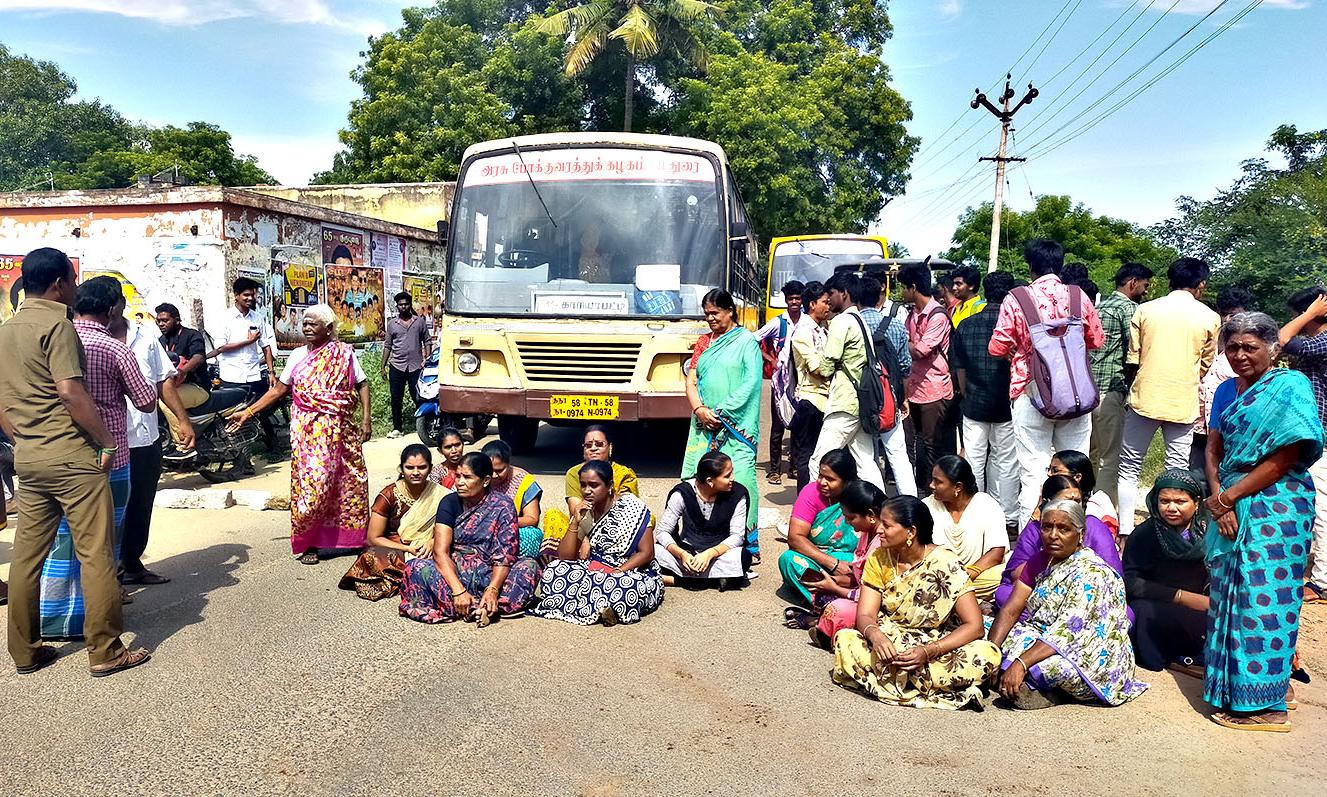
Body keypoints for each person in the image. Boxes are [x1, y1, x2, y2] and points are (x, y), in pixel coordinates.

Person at [0, 249, 151, 676]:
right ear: (60, 283)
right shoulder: (58, 325)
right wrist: (104, 442)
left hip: (28, 459)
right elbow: (70, 391)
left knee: (28, 558)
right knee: (97, 552)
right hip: (71, 457)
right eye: (71, 279)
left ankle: (26, 651)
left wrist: (23, 440)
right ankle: (105, 650)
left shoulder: (6, 331)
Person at [1202, 312, 1322, 733]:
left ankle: (1268, 706)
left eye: (1249, 347)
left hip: (1278, 507)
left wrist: (1229, 498)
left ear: (1273, 348)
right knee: (1228, 597)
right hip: (1230, 501)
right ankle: (1239, 688)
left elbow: (1286, 457)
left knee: (1262, 600)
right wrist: (1221, 502)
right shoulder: (1224, 390)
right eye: (1231, 347)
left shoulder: (1290, 388)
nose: (1239, 355)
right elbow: (1213, 448)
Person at [41, 277, 159, 638]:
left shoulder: (52, 339)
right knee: (105, 539)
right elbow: (145, 401)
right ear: (112, 310)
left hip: (59, 451)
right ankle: (98, 619)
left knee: (64, 536)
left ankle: (53, 616)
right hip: (113, 456)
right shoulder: (114, 348)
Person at [228, 304, 371, 565]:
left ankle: (352, 539)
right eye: (304, 323)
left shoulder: (344, 354)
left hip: (342, 432)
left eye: (312, 324)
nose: (306, 328)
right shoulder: (296, 356)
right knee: (313, 486)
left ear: (328, 329)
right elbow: (278, 390)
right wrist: (248, 413)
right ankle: (309, 543)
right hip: (309, 434)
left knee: (350, 483)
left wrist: (366, 420)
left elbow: (362, 384)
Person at [831, 495, 1001, 709]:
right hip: (890, 641)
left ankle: (891, 682)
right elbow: (865, 614)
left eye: (887, 525)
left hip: (933, 645)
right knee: (846, 639)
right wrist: (876, 636)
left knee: (989, 654)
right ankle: (926, 686)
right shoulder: (878, 558)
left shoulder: (946, 562)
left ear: (911, 532)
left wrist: (929, 651)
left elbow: (974, 627)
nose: (879, 530)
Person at [988, 499, 1147, 709]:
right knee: (984, 631)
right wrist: (990, 652)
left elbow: (1066, 634)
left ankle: (1044, 689)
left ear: (1080, 534)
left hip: (1090, 651)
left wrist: (1021, 663)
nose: (1053, 535)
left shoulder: (1093, 574)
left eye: (1064, 529)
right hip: (1045, 635)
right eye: (1047, 527)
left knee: (1051, 667)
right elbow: (1010, 610)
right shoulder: (1041, 560)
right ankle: (1025, 683)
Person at [989, 239, 1105, 520]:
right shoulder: (1079, 296)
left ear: (1030, 266)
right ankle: (1074, 533)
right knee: (1075, 468)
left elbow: (997, 347)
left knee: (1033, 471)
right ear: (1061, 263)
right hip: (1076, 394)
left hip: (1030, 392)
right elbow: (1097, 340)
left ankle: (1034, 542)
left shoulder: (1017, 298)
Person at [1117, 258, 1220, 538]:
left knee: (1129, 466)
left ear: (1170, 280)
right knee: (1176, 467)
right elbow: (1205, 365)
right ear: (1200, 285)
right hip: (1182, 401)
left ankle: (1125, 531)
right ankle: (1171, 532)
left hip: (1144, 397)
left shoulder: (1146, 311)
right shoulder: (1210, 317)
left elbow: (1134, 358)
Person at [399, 452, 540, 623]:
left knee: (529, 566)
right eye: (457, 476)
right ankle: (481, 608)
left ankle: (481, 604)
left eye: (467, 477)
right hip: (457, 571)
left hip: (491, 572)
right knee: (415, 567)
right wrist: (458, 590)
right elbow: (440, 552)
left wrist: (493, 589)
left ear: (486, 481)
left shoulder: (503, 505)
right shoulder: (449, 502)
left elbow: (504, 555)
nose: (459, 482)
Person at [113, 312, 196, 585]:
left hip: (145, 436)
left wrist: (183, 421)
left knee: (141, 502)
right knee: (110, 509)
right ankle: (109, 577)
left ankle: (132, 564)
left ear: (119, 305)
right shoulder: (85, 337)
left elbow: (164, 381)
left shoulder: (145, 335)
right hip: (107, 440)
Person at [683, 288, 762, 566]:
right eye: (706, 314)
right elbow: (691, 381)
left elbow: (751, 383)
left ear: (730, 310)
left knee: (740, 481)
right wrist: (700, 410)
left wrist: (721, 411)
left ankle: (745, 545)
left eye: (715, 313)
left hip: (736, 427)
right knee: (699, 480)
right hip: (704, 425)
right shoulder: (704, 342)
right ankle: (699, 537)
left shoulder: (746, 342)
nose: (710, 319)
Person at [533, 460, 664, 626]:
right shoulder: (586, 511)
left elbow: (646, 553)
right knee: (553, 571)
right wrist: (575, 522)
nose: (587, 491)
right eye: (583, 485)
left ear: (609, 485)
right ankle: (601, 608)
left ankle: (596, 606)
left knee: (625, 587)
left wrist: (618, 571)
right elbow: (565, 557)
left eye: (594, 485)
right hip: (595, 567)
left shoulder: (633, 506)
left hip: (630, 570)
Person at [994, 475, 1123, 613]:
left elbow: (1113, 575)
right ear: (1048, 503)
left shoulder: (1093, 526)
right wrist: (1047, 559)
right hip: (1041, 595)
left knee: (1125, 614)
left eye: (1077, 501)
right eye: (1066, 501)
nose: (1054, 535)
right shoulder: (1035, 530)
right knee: (1004, 595)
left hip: (1087, 597)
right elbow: (1015, 576)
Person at [1124, 469, 1211, 673]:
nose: (1171, 508)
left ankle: (1192, 658)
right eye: (1164, 501)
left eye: (1180, 502)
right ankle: (1174, 658)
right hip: (1159, 602)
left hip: (1204, 603)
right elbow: (1131, 582)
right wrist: (1180, 596)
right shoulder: (1145, 534)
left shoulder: (1210, 531)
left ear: (1197, 502)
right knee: (1144, 613)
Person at [339, 444, 449, 601]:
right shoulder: (388, 495)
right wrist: (407, 548)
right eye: (410, 467)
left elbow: (452, 527)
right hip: (395, 548)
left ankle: (410, 577)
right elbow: (373, 538)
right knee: (370, 558)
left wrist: (433, 542)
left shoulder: (441, 494)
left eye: (422, 467)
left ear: (430, 468)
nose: (416, 472)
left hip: (429, 547)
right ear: (401, 469)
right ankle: (412, 577)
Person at [951, 271, 1018, 526]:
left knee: (974, 460)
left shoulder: (967, 325)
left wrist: (967, 393)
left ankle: (974, 514)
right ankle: (1008, 518)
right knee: (1006, 462)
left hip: (974, 404)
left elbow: (959, 367)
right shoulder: (1015, 326)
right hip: (1008, 404)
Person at [811, 272, 885, 489]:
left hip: (844, 401)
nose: (829, 300)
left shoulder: (842, 321)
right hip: (861, 402)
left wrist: (812, 365)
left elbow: (826, 365)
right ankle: (879, 508)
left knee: (819, 461)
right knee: (865, 462)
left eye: (831, 294)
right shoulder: (860, 320)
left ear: (844, 294)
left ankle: (811, 513)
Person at [1087, 264, 1153, 506]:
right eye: (1145, 285)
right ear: (1133, 282)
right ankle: (1104, 511)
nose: (1146, 291)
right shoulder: (1131, 310)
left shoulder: (1097, 307)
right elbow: (1134, 352)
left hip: (1087, 391)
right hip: (1111, 389)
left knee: (1091, 453)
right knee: (1110, 456)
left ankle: (1086, 502)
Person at [1277, 287, 1327, 604]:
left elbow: (1279, 341)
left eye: (1300, 314)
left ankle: (1322, 581)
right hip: (1312, 434)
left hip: (1322, 437)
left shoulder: (1324, 341)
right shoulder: (1316, 343)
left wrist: (1310, 314)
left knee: (1322, 508)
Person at [809, 480, 888, 647]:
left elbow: (875, 593)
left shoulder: (882, 545)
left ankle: (831, 631)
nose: (847, 522)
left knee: (838, 610)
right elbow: (860, 576)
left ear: (871, 515)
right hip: (861, 591)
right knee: (820, 594)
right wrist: (835, 581)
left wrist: (836, 588)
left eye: (851, 517)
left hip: (878, 601)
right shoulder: (867, 534)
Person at [654, 450, 748, 588]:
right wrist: (682, 554)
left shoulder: (738, 494)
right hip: (687, 553)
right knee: (654, 551)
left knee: (743, 557)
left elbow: (737, 536)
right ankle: (713, 581)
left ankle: (677, 580)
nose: (733, 478)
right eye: (727, 476)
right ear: (710, 481)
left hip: (719, 554)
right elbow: (663, 532)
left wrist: (710, 554)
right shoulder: (682, 493)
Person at [777, 449, 859, 608]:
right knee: (788, 560)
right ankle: (828, 605)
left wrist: (850, 566)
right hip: (817, 559)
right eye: (821, 475)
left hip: (852, 561)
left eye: (830, 479)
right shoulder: (810, 493)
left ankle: (838, 600)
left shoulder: (859, 496)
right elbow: (795, 538)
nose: (822, 482)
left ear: (847, 481)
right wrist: (833, 564)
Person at [900, 262, 954, 496]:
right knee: (919, 441)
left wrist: (904, 344)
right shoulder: (912, 315)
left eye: (903, 287)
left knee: (932, 444)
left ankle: (935, 492)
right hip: (915, 388)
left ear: (913, 287)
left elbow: (920, 350)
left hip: (936, 388)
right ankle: (923, 488)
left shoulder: (937, 316)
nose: (902, 292)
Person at [860, 275, 917, 498]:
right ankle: (910, 501)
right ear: (879, 298)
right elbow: (904, 366)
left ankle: (876, 502)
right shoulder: (895, 325)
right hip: (889, 397)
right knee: (897, 453)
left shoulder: (852, 323)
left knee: (867, 454)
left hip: (862, 398)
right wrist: (902, 398)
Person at [543, 426, 641, 552]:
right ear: (584, 450)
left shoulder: (624, 473)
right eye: (588, 445)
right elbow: (577, 511)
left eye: (599, 444)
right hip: (583, 526)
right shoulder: (574, 473)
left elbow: (627, 509)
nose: (593, 448)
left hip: (616, 527)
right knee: (553, 516)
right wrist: (584, 539)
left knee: (647, 520)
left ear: (610, 448)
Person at [922, 456, 1006, 601]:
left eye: (938, 482)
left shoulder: (986, 504)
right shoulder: (925, 507)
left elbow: (996, 552)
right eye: (932, 479)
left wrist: (965, 577)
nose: (931, 485)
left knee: (1004, 573)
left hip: (976, 576)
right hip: (939, 577)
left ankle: (955, 599)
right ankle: (968, 601)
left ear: (958, 487)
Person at [1191, 286, 1249, 472]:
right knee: (1197, 477)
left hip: (1232, 429)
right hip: (1198, 426)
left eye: (1233, 315)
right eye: (1224, 314)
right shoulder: (1205, 340)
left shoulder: (1248, 352)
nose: (1227, 320)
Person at [755, 280, 804, 484]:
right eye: (790, 298)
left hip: (801, 382)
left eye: (797, 298)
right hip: (780, 383)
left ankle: (793, 467)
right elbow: (754, 339)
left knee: (798, 425)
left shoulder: (807, 321)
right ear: (785, 300)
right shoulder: (778, 323)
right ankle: (774, 469)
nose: (794, 302)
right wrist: (770, 360)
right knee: (777, 427)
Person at [788, 281, 832, 491]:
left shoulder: (822, 329)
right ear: (812, 304)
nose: (828, 306)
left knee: (819, 454)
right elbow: (817, 368)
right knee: (807, 455)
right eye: (825, 302)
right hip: (810, 400)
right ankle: (804, 503)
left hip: (824, 399)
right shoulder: (803, 331)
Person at [154, 302, 209, 456]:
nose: (161, 324)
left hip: (197, 387)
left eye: (165, 320)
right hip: (172, 386)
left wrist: (182, 370)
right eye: (158, 321)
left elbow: (198, 357)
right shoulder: (161, 341)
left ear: (177, 320)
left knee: (166, 401)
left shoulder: (192, 335)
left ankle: (184, 445)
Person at [383, 291, 432, 439]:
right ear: (397, 307)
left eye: (406, 304)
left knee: (418, 396)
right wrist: (382, 366)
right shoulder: (392, 324)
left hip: (416, 366)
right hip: (396, 366)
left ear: (410, 305)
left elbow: (427, 340)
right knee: (396, 398)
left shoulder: (419, 322)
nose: (403, 307)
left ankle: (423, 426)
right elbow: (387, 346)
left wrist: (427, 359)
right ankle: (398, 428)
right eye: (400, 305)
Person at [483, 440, 543, 558]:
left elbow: (531, 519)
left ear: (509, 463)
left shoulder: (524, 482)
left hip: (514, 531)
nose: (494, 475)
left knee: (529, 536)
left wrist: (500, 523)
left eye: (500, 470)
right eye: (490, 471)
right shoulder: (479, 476)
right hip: (483, 530)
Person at [1047, 449, 1118, 537]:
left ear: (1077, 477)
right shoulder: (1049, 499)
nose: (1049, 474)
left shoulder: (1097, 507)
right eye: (1049, 469)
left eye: (1055, 470)